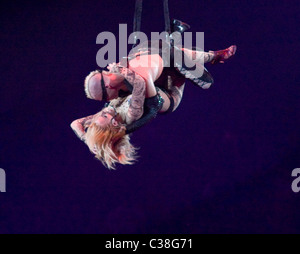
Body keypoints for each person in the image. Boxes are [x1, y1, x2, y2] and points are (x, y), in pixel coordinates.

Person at [71, 20, 237, 169]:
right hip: (169, 93)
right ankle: (206, 62)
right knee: (172, 56)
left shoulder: (105, 118)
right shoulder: (131, 115)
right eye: (106, 116)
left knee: (163, 54)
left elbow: (75, 123)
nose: (105, 111)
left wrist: (89, 140)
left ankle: (190, 43)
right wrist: (120, 70)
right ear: (114, 125)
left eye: (102, 113)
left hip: (155, 86)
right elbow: (139, 84)